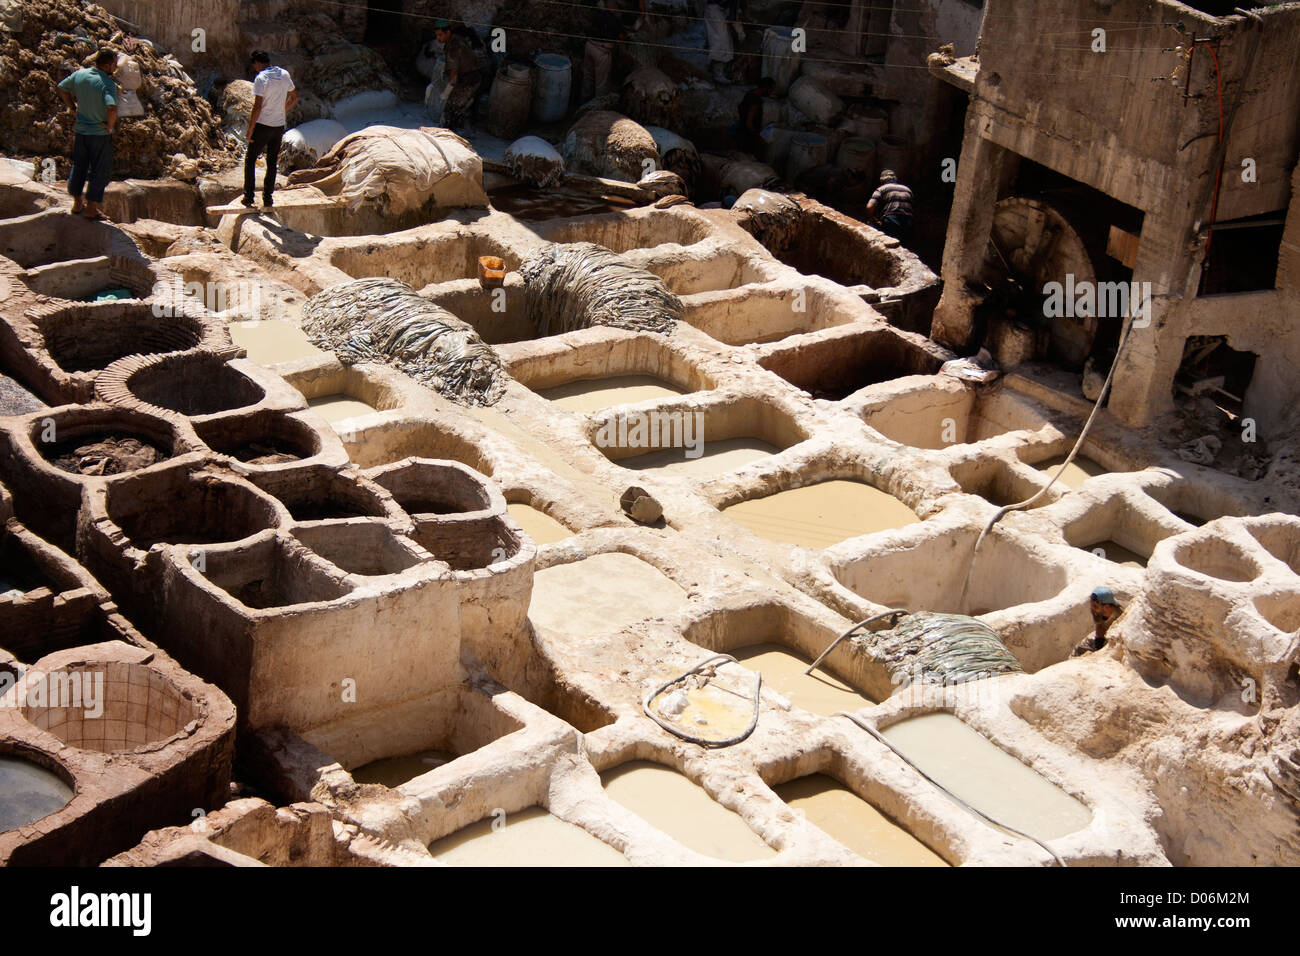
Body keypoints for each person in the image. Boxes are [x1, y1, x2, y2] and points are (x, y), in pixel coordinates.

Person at [56, 49, 119, 221]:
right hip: (99, 134)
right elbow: (112, 107)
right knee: (100, 170)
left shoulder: (80, 75)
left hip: (81, 131)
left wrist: (72, 107)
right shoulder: (107, 83)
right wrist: (110, 126)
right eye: (114, 63)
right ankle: (91, 208)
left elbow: (62, 88)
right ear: (107, 65)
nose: (116, 66)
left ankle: (77, 203)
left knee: (79, 166)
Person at [243, 51, 297, 209]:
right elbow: (295, 97)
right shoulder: (284, 74)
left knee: (250, 159)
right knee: (272, 162)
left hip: (263, 125)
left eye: (254, 65)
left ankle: (248, 197)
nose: (255, 68)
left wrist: (250, 128)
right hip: (278, 126)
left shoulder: (261, 78)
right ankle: (268, 199)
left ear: (258, 63)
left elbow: (257, 106)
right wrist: (282, 111)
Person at [434, 18, 483, 130]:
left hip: (469, 79)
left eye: (440, 35)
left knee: (452, 107)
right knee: (460, 107)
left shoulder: (454, 46)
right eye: (437, 35)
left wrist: (447, 92)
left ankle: (449, 134)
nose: (438, 38)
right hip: (472, 77)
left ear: (448, 32)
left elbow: (454, 73)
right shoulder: (456, 39)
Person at [582, 1, 624, 102]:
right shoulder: (615, 20)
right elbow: (622, 37)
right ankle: (598, 109)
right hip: (601, 51)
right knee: (602, 84)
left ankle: (583, 102)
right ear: (615, 8)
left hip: (589, 46)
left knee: (587, 77)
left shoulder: (598, 15)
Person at [866, 169, 913, 243]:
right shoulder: (907, 189)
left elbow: (870, 207)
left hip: (891, 219)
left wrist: (871, 219)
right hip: (908, 221)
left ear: (882, 180)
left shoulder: (881, 189)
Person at [1073, 586, 1122, 656]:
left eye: (1095, 607)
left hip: (1116, 640)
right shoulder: (1102, 613)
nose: (1092, 609)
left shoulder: (1122, 615)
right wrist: (1098, 647)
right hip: (1104, 634)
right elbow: (1100, 626)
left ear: (1107, 607)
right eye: (1091, 606)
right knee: (1080, 648)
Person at [735, 76, 773, 157]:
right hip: (747, 137)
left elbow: (740, 108)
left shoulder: (749, 93)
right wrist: (758, 138)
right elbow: (749, 123)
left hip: (741, 132)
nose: (771, 92)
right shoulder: (756, 101)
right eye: (771, 90)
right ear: (765, 88)